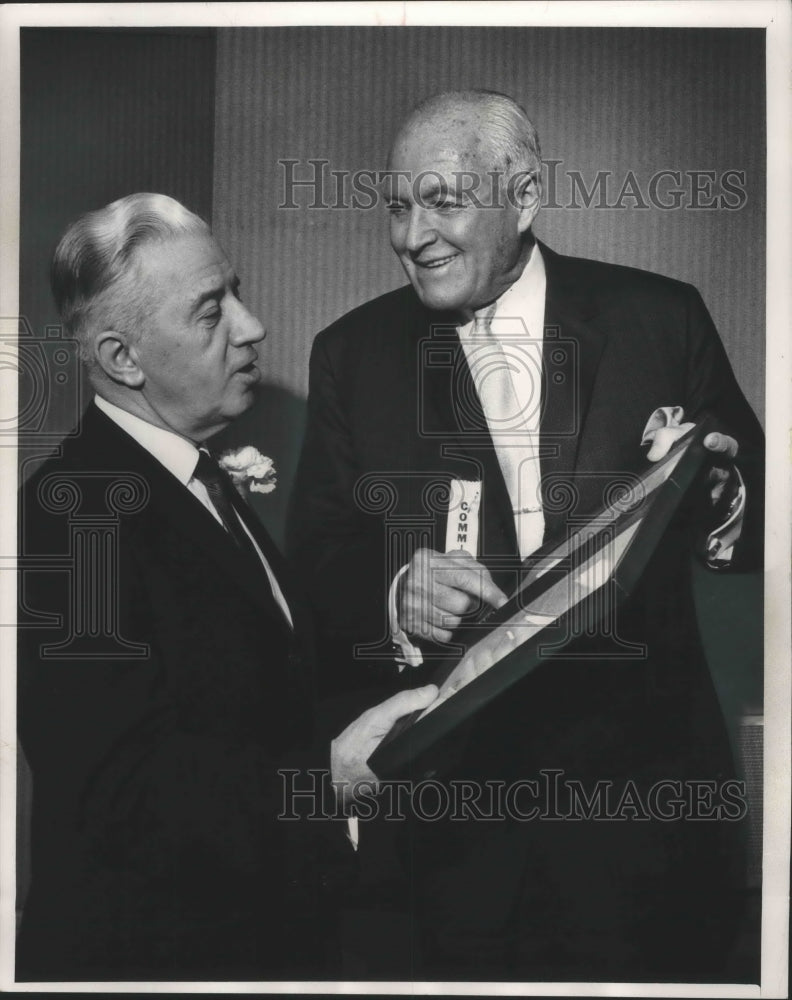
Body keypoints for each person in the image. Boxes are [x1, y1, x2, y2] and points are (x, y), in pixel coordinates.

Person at [287, 91, 764, 980]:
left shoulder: (661, 320)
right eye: (397, 204)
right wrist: (394, 590)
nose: (411, 234)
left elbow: (755, 507)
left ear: (525, 198)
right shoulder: (352, 353)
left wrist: (721, 487)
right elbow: (315, 559)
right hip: (453, 829)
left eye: (442, 200)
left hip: (644, 808)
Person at [16, 193, 436, 982]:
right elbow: (121, 791)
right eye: (211, 312)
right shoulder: (75, 512)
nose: (252, 327)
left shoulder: (189, 478)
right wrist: (326, 784)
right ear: (121, 359)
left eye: (236, 293)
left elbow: (261, 694)